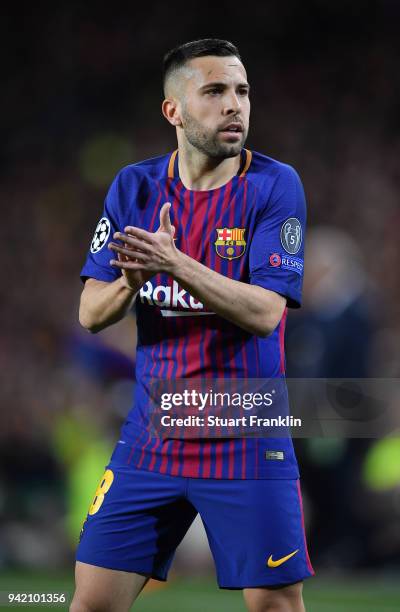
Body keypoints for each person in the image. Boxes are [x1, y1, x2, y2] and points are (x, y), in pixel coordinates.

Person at [71, 38, 313, 612]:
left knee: (273, 605)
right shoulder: (134, 187)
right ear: (173, 111)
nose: (235, 105)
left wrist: (174, 262)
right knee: (91, 602)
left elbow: (266, 312)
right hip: (152, 435)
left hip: (245, 434)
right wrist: (131, 281)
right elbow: (89, 313)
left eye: (242, 91)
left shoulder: (276, 186)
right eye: (215, 91)